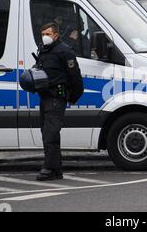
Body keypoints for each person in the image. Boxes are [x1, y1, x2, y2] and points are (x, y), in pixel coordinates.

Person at [35, 22, 84, 181]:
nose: (45, 37)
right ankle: (56, 169)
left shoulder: (64, 51)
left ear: (56, 35)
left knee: (51, 132)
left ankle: (49, 168)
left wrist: (73, 96)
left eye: (48, 34)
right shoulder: (44, 50)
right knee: (46, 132)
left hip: (56, 97)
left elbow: (75, 76)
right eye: (43, 34)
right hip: (45, 96)